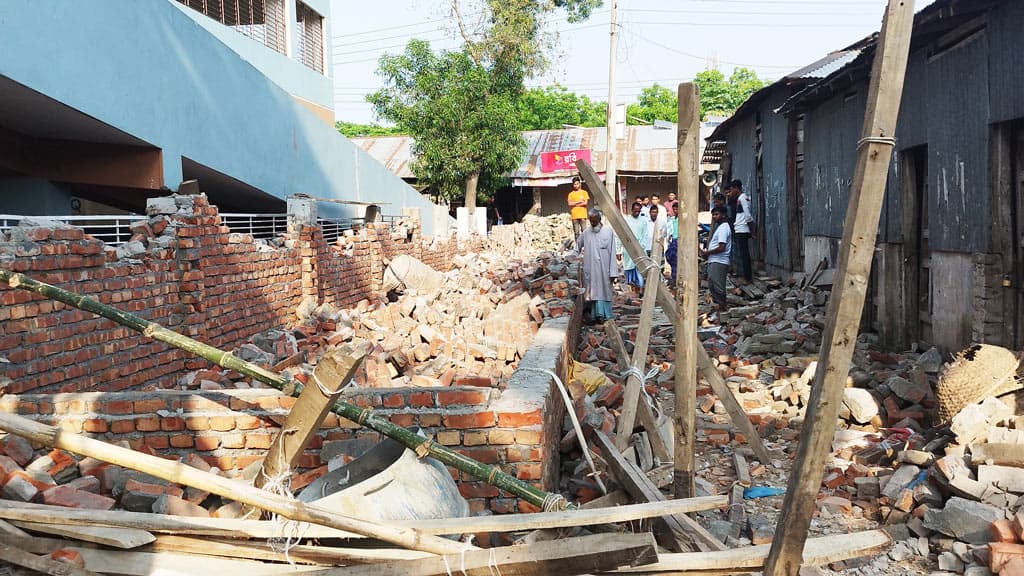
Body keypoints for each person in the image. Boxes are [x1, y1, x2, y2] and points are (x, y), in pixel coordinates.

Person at [577, 209, 617, 323]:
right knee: (593, 292)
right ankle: (596, 316)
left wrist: (613, 272)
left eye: (595, 221)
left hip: (605, 268)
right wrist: (571, 257)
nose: (593, 224)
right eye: (591, 222)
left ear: (599, 219)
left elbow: (613, 252)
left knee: (605, 290)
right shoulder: (586, 233)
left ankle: (606, 316)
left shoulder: (608, 232)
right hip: (591, 269)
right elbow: (577, 246)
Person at [700, 205, 732, 314]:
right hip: (714, 260)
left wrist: (707, 253)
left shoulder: (723, 228)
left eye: (716, 214)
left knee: (718, 286)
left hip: (719, 261)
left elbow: (721, 247)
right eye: (713, 215)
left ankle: (723, 309)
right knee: (712, 284)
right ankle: (719, 308)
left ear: (723, 215)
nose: (714, 217)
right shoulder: (720, 227)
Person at [726, 179, 754, 284]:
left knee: (744, 255)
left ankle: (748, 278)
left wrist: (752, 230)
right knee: (742, 254)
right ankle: (745, 276)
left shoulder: (743, 198)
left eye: (732, 189)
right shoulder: (740, 199)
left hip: (743, 229)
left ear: (737, 188)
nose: (731, 192)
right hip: (739, 228)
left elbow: (748, 216)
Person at [620, 201, 648, 293]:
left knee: (639, 270)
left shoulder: (643, 220)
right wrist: (618, 250)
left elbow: (645, 235)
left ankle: (640, 291)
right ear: (632, 210)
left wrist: (640, 246)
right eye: (635, 211)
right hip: (628, 250)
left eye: (638, 211)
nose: (637, 213)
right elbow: (621, 235)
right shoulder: (626, 219)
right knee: (629, 269)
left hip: (640, 249)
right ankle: (631, 292)